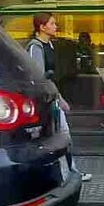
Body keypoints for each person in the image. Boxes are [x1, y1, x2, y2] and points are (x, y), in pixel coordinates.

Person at [26, 13, 92, 182]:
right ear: (42, 27)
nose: (56, 26)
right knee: (60, 135)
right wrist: (58, 98)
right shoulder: (36, 47)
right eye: (52, 23)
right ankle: (66, 174)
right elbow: (40, 77)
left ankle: (69, 172)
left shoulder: (50, 45)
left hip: (50, 97)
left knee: (61, 136)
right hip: (44, 100)